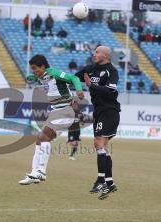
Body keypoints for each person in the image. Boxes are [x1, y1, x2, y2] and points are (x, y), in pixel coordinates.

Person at [18, 54, 84, 185]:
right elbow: (37, 79)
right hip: (56, 111)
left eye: (35, 68)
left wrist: (79, 90)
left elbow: (74, 77)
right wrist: (31, 77)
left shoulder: (54, 73)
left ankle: (41, 172)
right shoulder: (42, 76)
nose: (34, 71)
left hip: (66, 110)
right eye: (32, 69)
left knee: (44, 138)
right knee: (39, 140)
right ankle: (34, 173)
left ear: (43, 66)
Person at [76, 46, 120, 200]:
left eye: (97, 52)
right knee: (100, 145)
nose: (94, 54)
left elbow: (110, 91)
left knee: (100, 143)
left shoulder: (111, 71)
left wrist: (91, 85)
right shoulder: (91, 68)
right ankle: (110, 182)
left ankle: (101, 180)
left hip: (110, 111)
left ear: (105, 55)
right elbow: (74, 77)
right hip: (98, 112)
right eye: (94, 52)